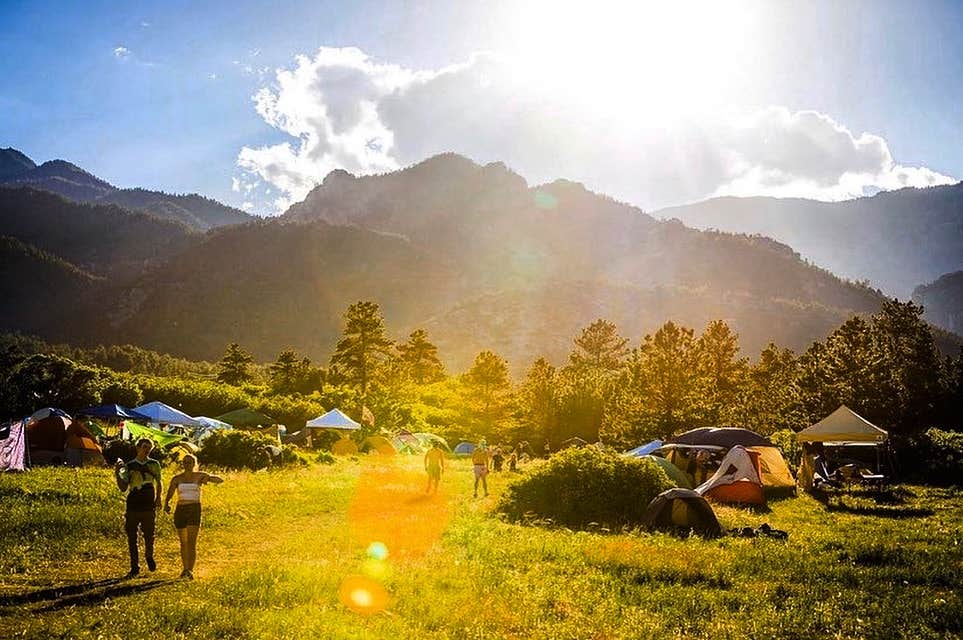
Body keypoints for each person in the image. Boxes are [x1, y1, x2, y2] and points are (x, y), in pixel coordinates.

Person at [164, 454, 223, 579]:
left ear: (194, 464)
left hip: (194, 509)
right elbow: (169, 493)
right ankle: (185, 569)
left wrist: (208, 477)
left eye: (190, 462)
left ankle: (190, 570)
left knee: (191, 542)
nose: (187, 464)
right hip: (181, 509)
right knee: (183, 542)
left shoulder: (199, 476)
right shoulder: (177, 479)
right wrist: (167, 504)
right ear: (182, 464)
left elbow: (220, 480)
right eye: (185, 462)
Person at [114, 438, 162, 578]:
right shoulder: (129, 465)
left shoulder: (154, 464)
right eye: (145, 447)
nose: (147, 450)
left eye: (149, 447)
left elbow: (159, 482)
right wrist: (118, 472)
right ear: (138, 448)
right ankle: (134, 566)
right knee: (132, 537)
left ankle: (149, 555)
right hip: (133, 504)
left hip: (148, 504)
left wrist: (158, 498)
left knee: (149, 534)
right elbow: (123, 487)